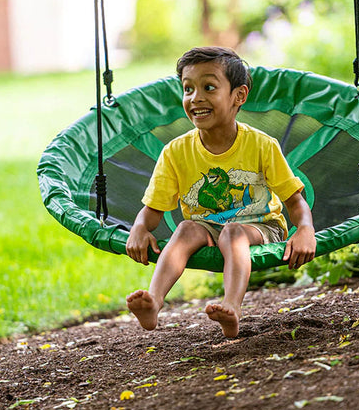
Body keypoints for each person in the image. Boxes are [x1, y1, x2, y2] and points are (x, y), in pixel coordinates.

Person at [126, 46, 316, 338]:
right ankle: (154, 302)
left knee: (234, 233)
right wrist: (140, 228)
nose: (196, 98)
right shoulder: (175, 152)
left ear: (238, 96)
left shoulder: (262, 145)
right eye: (188, 89)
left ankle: (232, 307)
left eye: (209, 87)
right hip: (207, 225)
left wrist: (304, 228)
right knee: (187, 227)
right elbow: (153, 209)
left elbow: (294, 200)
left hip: (260, 225)